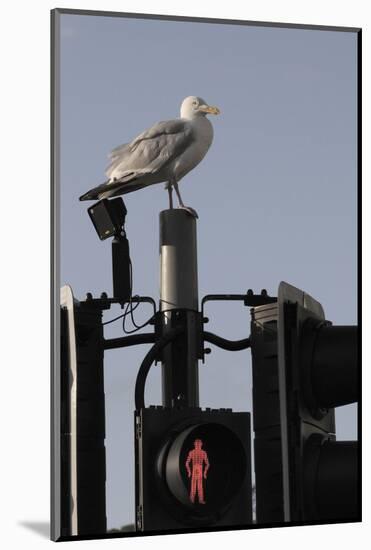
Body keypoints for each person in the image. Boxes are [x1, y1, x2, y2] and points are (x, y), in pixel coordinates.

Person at [185, 439, 210, 504]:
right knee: (193, 485)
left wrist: (205, 473)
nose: (198, 445)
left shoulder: (203, 453)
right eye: (196, 444)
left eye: (199, 444)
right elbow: (187, 463)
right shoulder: (191, 452)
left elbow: (207, 464)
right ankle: (192, 499)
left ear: (201, 445)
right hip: (194, 468)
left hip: (200, 468)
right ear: (194, 445)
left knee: (200, 485)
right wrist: (189, 472)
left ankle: (200, 500)